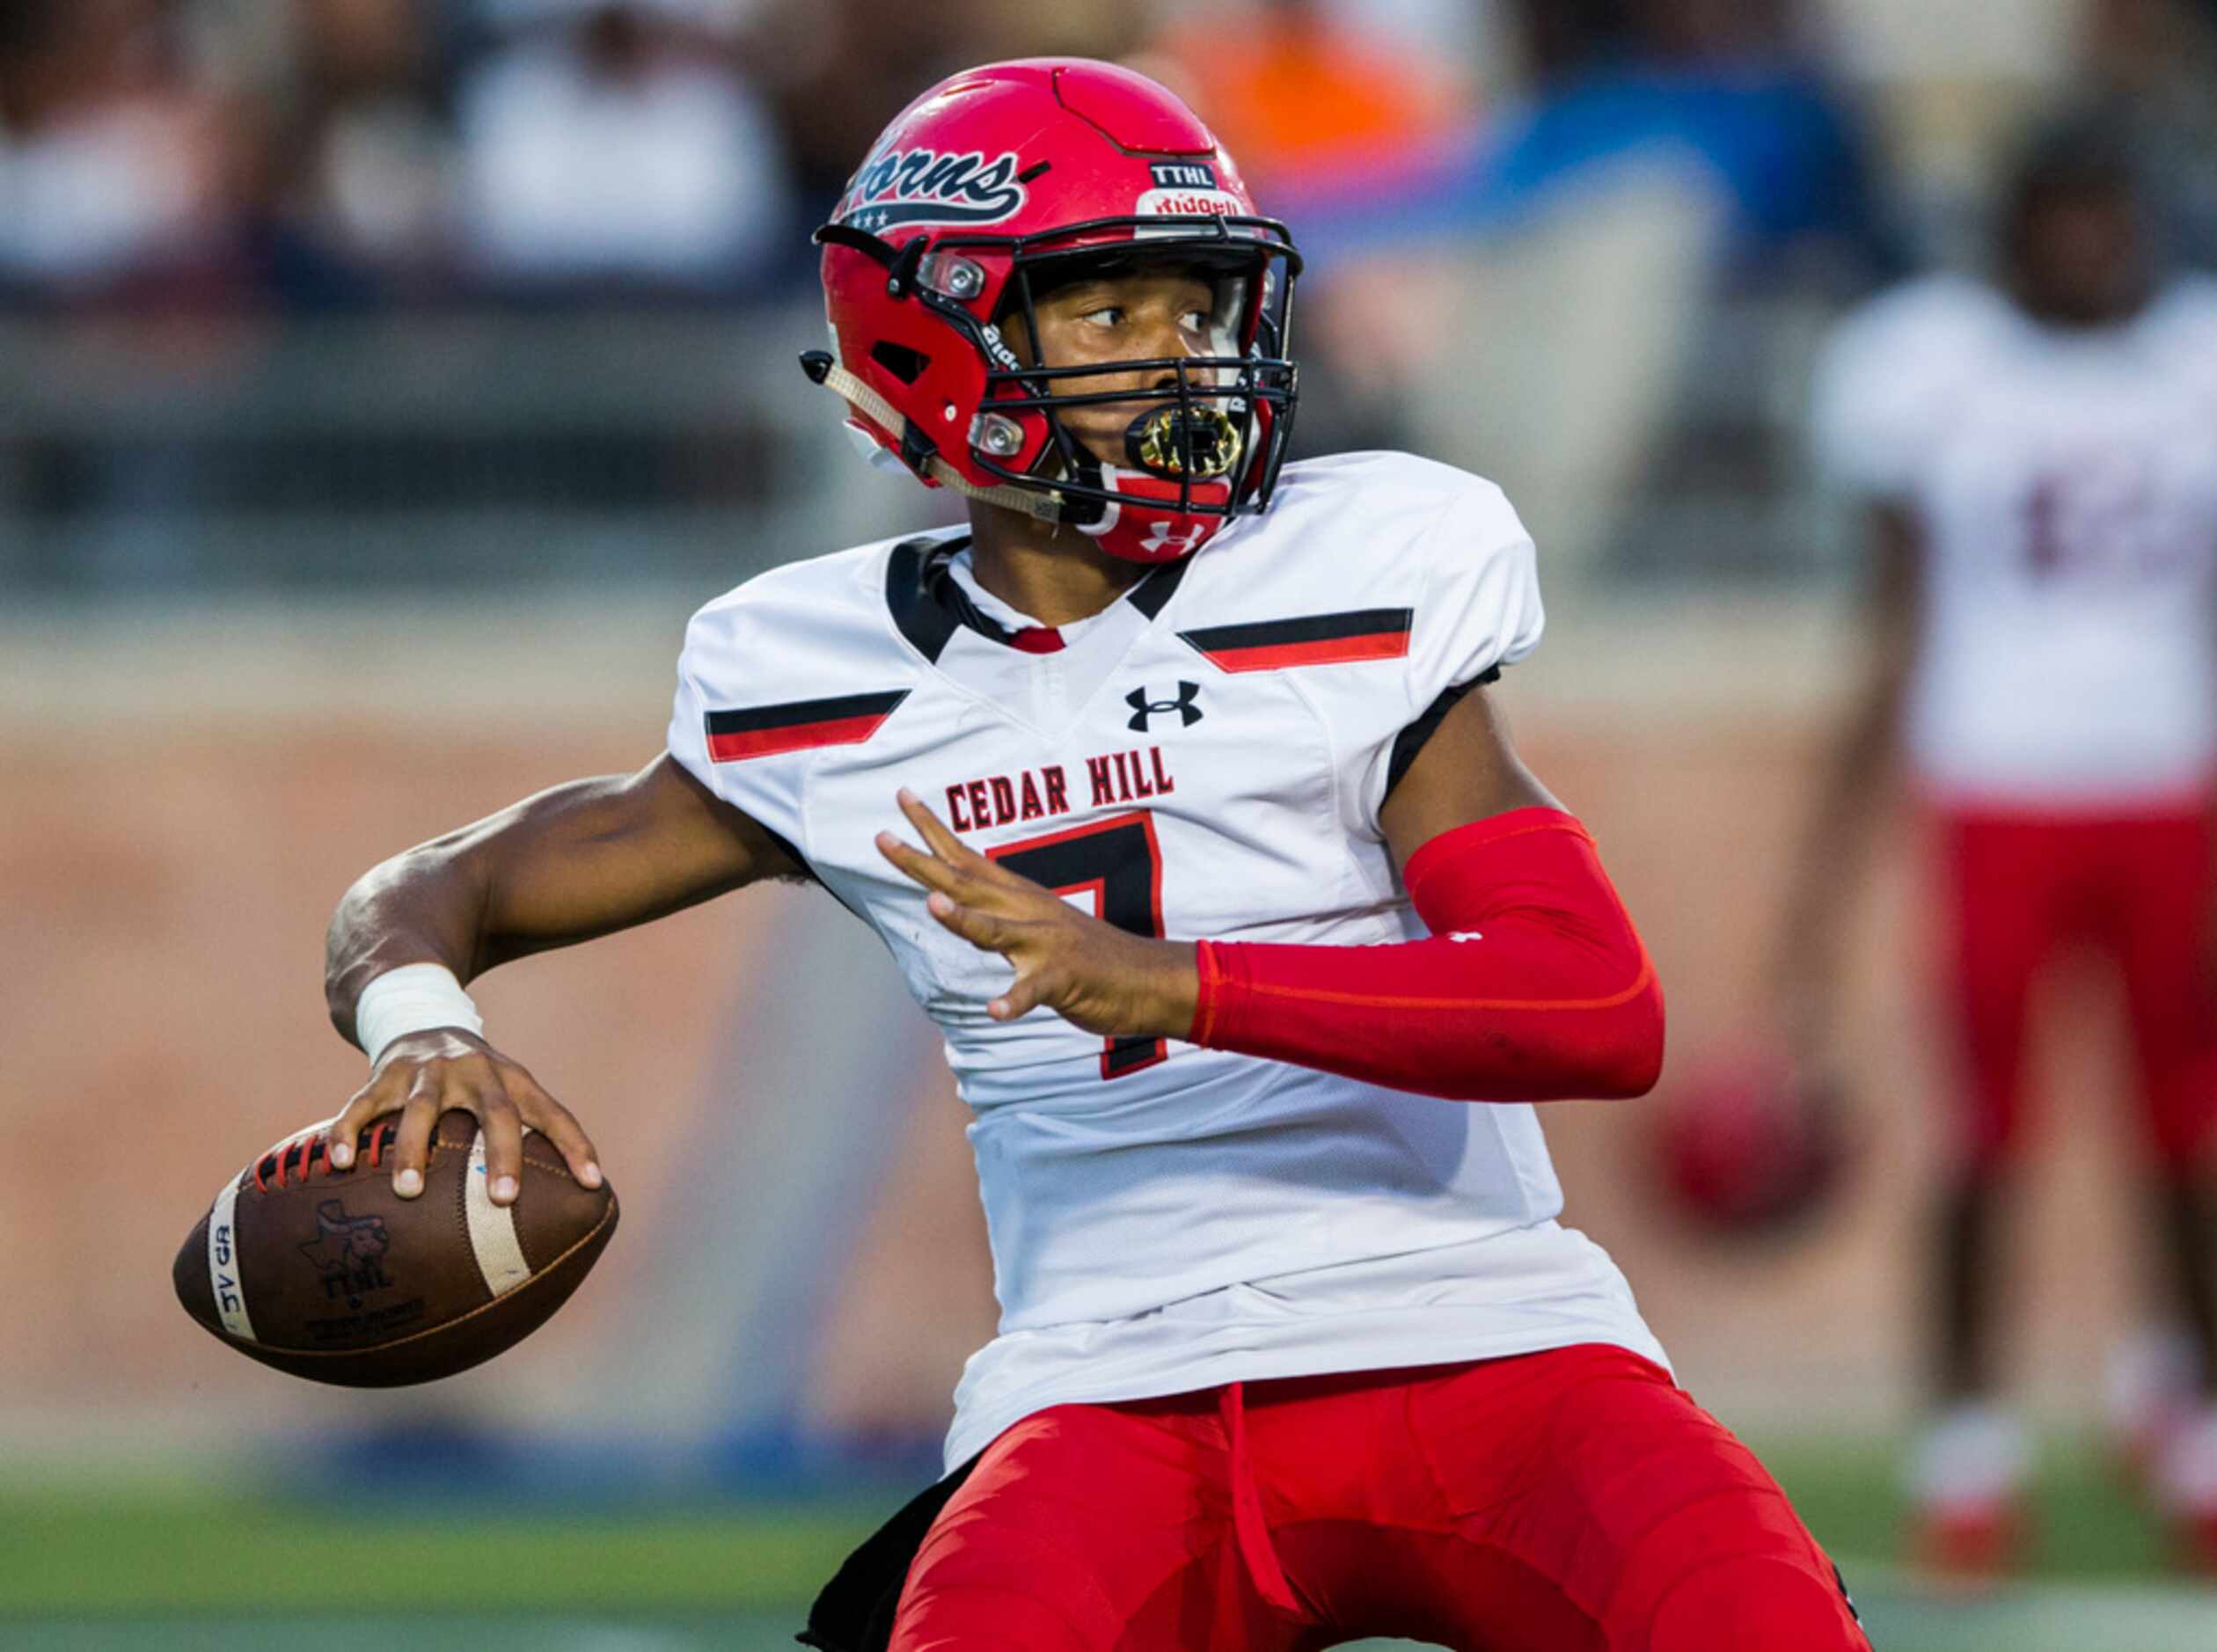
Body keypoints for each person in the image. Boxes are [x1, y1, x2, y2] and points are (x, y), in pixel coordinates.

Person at [322, 58, 1868, 1649]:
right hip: (1113, 1388)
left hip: (1486, 1338)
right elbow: (434, 891)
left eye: (1198, 313)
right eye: (1112, 317)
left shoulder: (1365, 562)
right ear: (940, 347)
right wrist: (422, 1021)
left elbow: (1595, 1007)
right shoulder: (810, 673)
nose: (1184, 362)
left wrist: (1176, 982)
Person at [1789, 116, 2217, 1573]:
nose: (2094, 248)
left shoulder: (2196, 362)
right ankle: (1965, 1442)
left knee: (2185, 1131)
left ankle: (2197, 1422)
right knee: (1984, 1133)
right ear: (2013, 228)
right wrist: (1820, 888)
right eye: (2067, 217)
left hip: (2171, 786)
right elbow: (1894, 621)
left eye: (2114, 216)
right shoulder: (1937, 368)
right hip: (1995, 792)